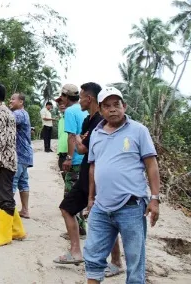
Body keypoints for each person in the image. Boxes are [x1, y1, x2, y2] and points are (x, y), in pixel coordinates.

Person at [83, 86, 160, 284]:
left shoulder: (138, 131)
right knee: (93, 256)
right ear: (100, 110)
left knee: (135, 262)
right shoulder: (97, 134)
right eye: (107, 106)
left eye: (116, 104)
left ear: (124, 106)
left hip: (131, 206)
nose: (112, 109)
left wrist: (155, 198)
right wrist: (91, 199)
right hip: (101, 207)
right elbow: (93, 168)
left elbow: (151, 165)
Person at [54, 83, 124, 278]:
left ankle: (116, 262)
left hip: (100, 176)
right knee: (67, 207)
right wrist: (80, 139)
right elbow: (82, 147)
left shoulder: (101, 122)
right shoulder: (88, 120)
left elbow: (82, 148)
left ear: (90, 98)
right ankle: (76, 251)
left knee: (107, 218)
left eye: (82, 96)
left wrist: (77, 138)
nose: (80, 100)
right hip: (87, 174)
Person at [0, 83, 26, 247]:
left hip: (2, 162)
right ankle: (17, 230)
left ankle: (5, 235)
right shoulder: (8, 112)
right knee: (6, 195)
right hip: (9, 160)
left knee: (4, 198)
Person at [57, 84, 88, 236]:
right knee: (80, 195)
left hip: (76, 160)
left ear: (65, 96)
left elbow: (71, 136)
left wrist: (69, 158)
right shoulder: (84, 110)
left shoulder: (70, 111)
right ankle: (80, 228)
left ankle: (76, 231)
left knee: (70, 198)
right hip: (87, 160)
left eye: (62, 96)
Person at [9, 93, 34, 219]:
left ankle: (6, 212)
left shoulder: (18, 113)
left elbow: (7, 120)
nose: (10, 101)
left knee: (12, 182)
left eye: (13, 99)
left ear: (21, 102)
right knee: (23, 182)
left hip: (18, 154)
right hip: (25, 154)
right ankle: (25, 210)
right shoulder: (24, 113)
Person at [55, 98, 68, 182]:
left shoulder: (72, 117)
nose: (62, 105)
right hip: (62, 153)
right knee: (65, 180)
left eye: (64, 103)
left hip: (70, 154)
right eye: (60, 104)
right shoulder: (61, 120)